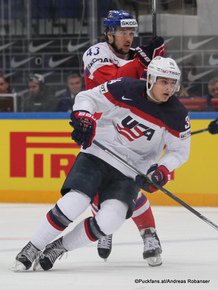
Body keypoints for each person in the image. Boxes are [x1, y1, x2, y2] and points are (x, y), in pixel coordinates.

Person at [12, 56, 191, 272]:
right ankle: (33, 247)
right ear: (151, 79)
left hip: (130, 171)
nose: (169, 88)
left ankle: (59, 247)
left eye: (173, 83)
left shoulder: (178, 115)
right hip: (98, 154)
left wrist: (162, 170)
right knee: (74, 201)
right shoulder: (125, 87)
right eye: (164, 82)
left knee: (111, 220)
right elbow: (88, 97)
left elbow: (179, 152)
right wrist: (84, 116)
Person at [83, 10, 165, 265]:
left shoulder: (139, 56)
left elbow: (160, 86)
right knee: (97, 186)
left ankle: (149, 234)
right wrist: (142, 61)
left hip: (134, 128)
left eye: (132, 33)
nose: (128, 38)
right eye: (122, 33)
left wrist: (158, 62)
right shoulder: (95, 54)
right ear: (109, 34)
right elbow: (113, 82)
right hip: (102, 130)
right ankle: (103, 227)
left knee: (131, 183)